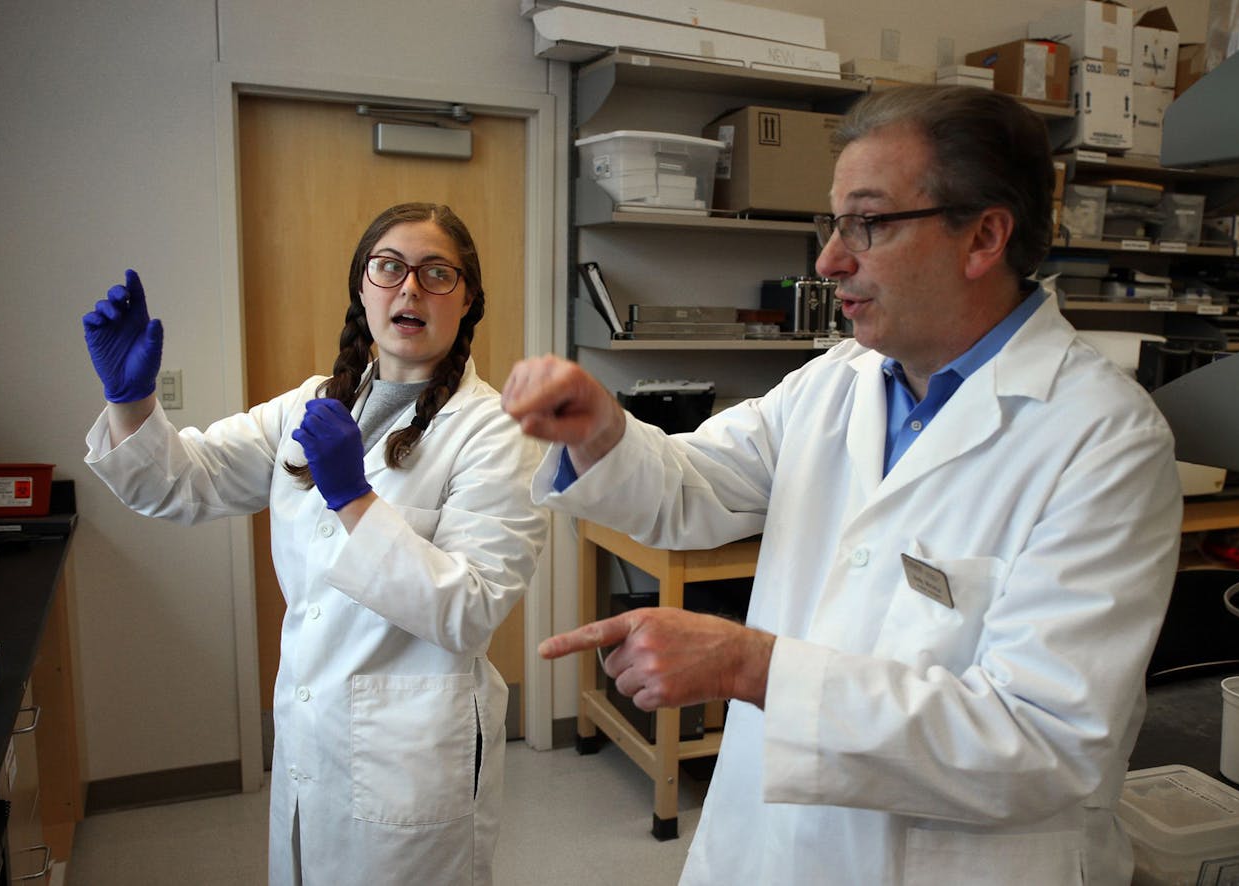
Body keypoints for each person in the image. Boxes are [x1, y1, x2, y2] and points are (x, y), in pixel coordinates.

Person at [502, 85, 1183, 884]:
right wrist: (601, 430)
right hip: (769, 847)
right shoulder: (840, 380)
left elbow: (1042, 741)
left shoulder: (1104, 441)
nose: (829, 259)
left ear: (984, 237)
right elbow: (694, 486)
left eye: (868, 222)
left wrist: (750, 667)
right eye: (832, 223)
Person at [82, 203, 549, 885]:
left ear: (468, 299)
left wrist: (354, 500)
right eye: (389, 268)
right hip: (313, 735)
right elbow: (180, 485)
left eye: (437, 273)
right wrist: (131, 399)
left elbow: (469, 609)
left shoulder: (499, 433)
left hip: (413, 754)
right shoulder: (309, 406)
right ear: (363, 287)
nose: (410, 288)